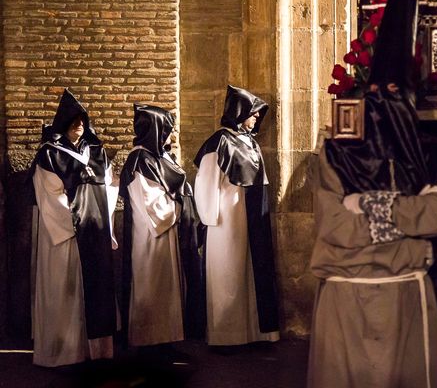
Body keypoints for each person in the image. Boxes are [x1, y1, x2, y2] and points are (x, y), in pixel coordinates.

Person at [307, 0, 437, 386]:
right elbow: (333, 225)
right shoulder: (338, 153)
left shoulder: (434, 155)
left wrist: (366, 205)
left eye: (394, 96)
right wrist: (408, 212)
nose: (383, 107)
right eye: (376, 96)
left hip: (406, 298)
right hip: (346, 301)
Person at [29, 88, 118, 367]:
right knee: (65, 290)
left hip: (95, 229)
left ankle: (96, 352)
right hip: (66, 235)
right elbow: (50, 196)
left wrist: (101, 221)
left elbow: (109, 188)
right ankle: (64, 352)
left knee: (96, 292)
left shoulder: (97, 153)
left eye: (82, 120)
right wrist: (75, 223)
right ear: (63, 122)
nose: (79, 124)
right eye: (73, 119)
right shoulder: (49, 155)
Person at [193, 85, 280, 346]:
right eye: (253, 112)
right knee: (227, 274)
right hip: (226, 220)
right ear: (239, 112)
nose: (257, 117)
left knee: (250, 273)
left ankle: (253, 332)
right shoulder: (219, 142)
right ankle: (226, 337)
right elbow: (206, 182)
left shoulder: (250, 143)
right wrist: (210, 219)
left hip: (251, 217)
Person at [119, 104, 202, 355]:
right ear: (155, 130)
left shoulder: (161, 157)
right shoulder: (140, 160)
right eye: (167, 129)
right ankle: (148, 345)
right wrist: (180, 205)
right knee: (152, 286)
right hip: (151, 236)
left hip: (168, 234)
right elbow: (152, 205)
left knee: (167, 288)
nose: (171, 135)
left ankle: (166, 342)